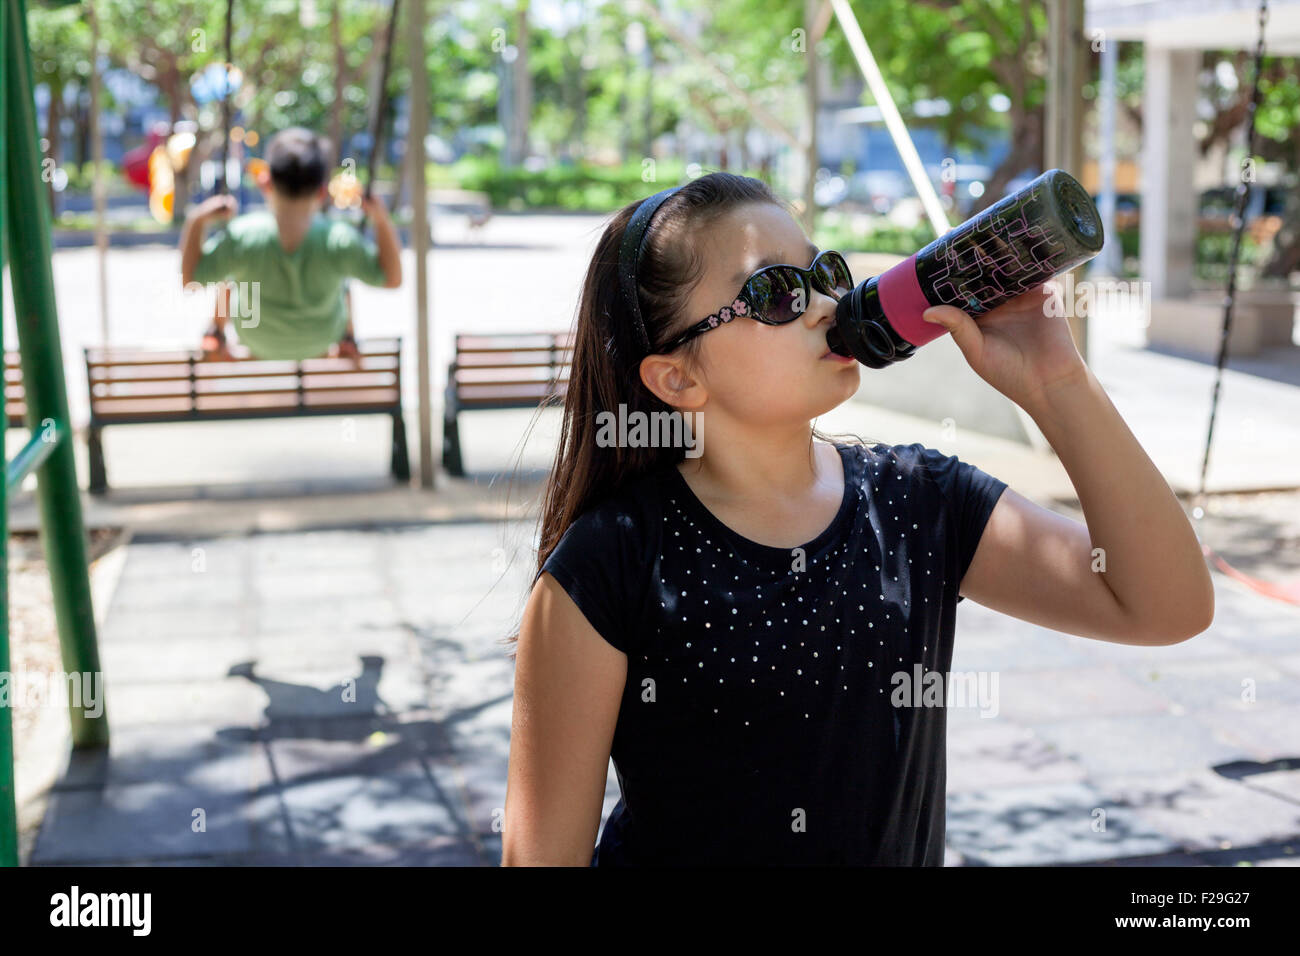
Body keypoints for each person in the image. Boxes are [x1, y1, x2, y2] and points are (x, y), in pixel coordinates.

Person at [500, 171, 1216, 866]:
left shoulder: (920, 501)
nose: (823, 305)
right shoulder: (609, 564)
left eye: (825, 272)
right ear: (678, 378)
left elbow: (1166, 607)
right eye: (775, 292)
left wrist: (1059, 384)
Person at [179, 126, 401, 362]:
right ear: (322, 192)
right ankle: (348, 336)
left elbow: (190, 279)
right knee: (342, 282)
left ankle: (216, 329)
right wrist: (381, 220)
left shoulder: (243, 236)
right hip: (321, 338)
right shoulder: (339, 239)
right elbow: (392, 279)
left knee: (232, 278)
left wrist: (197, 220)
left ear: (266, 183)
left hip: (256, 338)